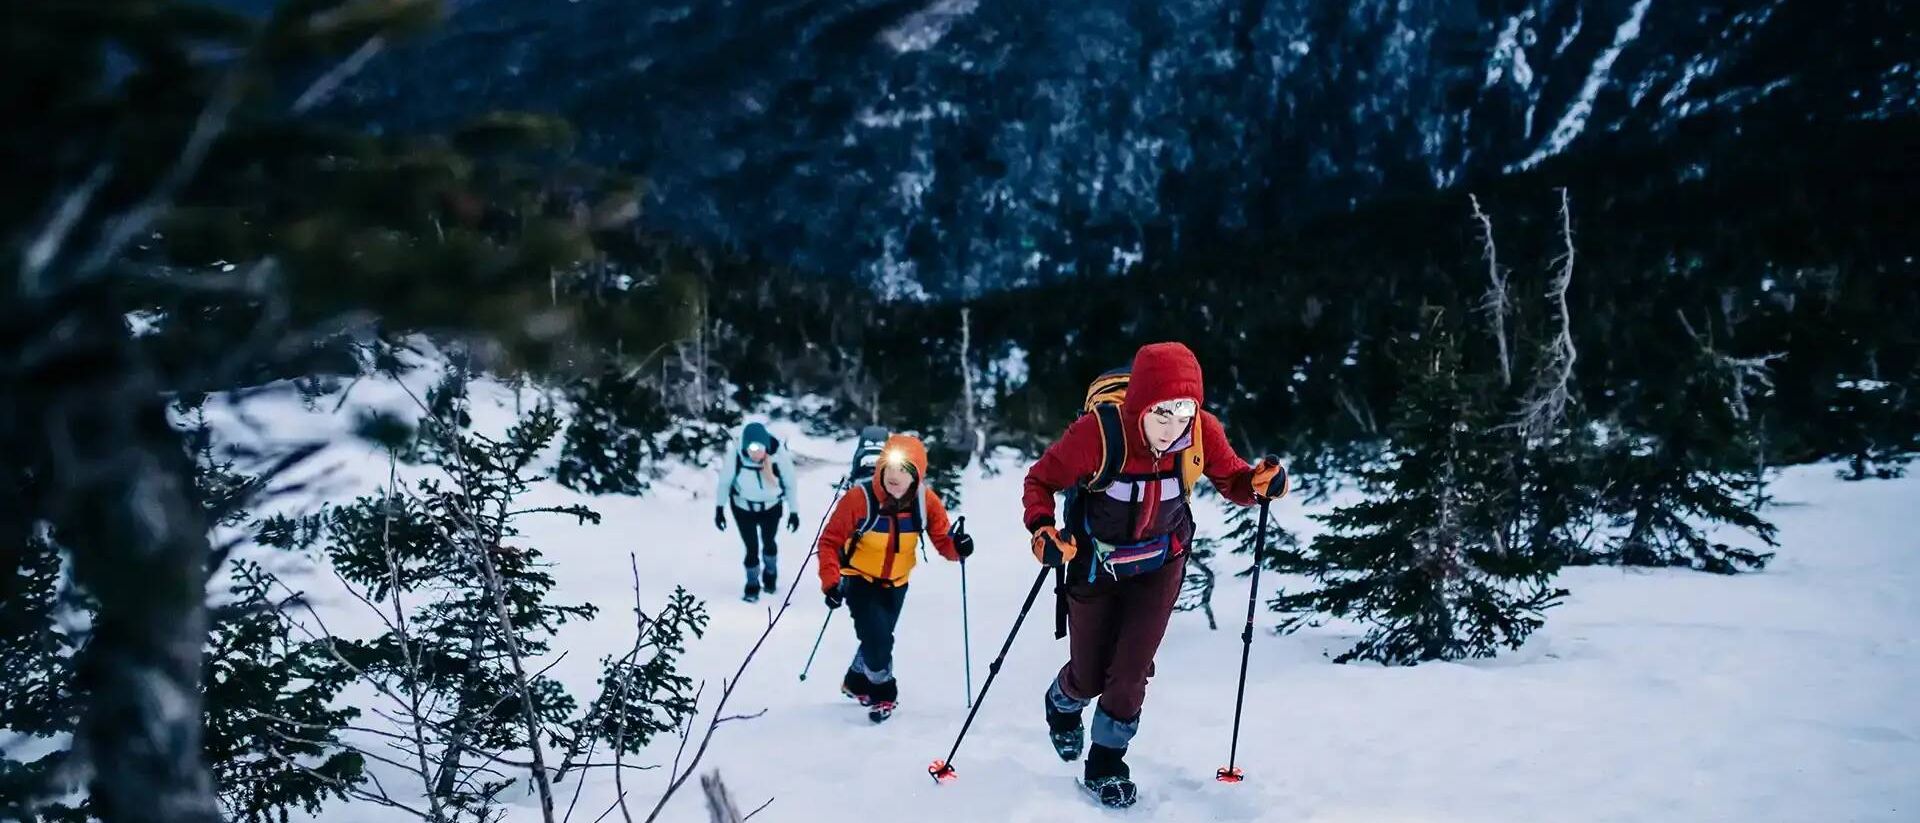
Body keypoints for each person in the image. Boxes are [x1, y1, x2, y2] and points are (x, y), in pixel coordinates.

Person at [1021, 342, 1285, 806]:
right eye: (1162, 414)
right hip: (1093, 564)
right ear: (1139, 404)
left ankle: (1106, 764)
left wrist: (1259, 484)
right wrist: (1043, 529)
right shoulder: (1097, 435)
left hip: (1161, 563)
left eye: (1184, 414)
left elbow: (1235, 481)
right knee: (1089, 677)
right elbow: (1040, 480)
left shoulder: (1202, 431)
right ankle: (1064, 702)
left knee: (1130, 672)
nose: (1174, 427)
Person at [815, 434, 974, 722]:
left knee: (877, 637)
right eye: (890, 468)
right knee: (878, 640)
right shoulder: (859, 499)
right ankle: (884, 692)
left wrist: (959, 547)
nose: (895, 476)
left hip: (898, 583)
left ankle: (855, 682)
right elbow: (829, 542)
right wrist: (831, 581)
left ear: (917, 476)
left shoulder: (926, 503)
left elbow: (944, 542)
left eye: (904, 470)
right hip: (859, 579)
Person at [715, 422, 801, 602]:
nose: (756, 454)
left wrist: (794, 512)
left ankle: (770, 573)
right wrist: (719, 509)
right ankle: (752, 584)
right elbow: (725, 482)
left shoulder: (778, 455)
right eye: (752, 449)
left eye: (760, 449)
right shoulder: (737, 455)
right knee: (751, 548)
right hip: (743, 508)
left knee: (769, 542)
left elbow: (790, 482)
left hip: (771, 507)